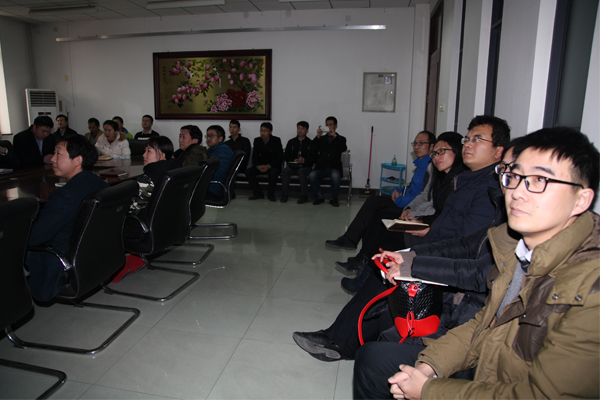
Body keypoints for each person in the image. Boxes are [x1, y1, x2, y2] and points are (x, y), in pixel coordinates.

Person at [358, 127, 600, 400]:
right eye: (513, 176)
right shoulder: (518, 248)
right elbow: (483, 325)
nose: (518, 192)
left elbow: (542, 394)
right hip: (488, 358)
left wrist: (428, 389)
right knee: (375, 355)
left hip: (501, 378)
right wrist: (429, 367)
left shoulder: (591, 290)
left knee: (380, 354)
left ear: (581, 200)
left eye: (539, 180)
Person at [293, 115, 511, 362]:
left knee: (384, 278)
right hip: (433, 250)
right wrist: (416, 250)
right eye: (467, 139)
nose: (468, 144)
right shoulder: (467, 180)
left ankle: (339, 341)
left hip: (446, 266)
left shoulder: (488, 191)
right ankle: (343, 339)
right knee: (384, 266)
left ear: (498, 151)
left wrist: (415, 260)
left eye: (478, 139)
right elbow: (450, 229)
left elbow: (466, 248)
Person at [26, 135, 108, 302]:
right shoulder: (101, 185)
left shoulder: (65, 196)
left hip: (63, 261)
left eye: (58, 153)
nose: (53, 159)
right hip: (95, 255)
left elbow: (34, 238)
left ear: (77, 161)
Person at [325, 131, 435, 251]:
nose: (416, 147)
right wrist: (395, 190)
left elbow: (423, 198)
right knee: (373, 201)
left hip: (410, 208)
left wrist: (399, 199)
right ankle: (352, 240)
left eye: (421, 143)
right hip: (404, 201)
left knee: (376, 210)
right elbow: (411, 188)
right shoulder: (420, 165)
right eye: (415, 143)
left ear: (431, 147)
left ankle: (355, 244)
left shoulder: (430, 169)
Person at [130, 136, 182, 218]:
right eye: (145, 151)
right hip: (170, 219)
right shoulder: (177, 171)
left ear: (161, 155)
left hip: (143, 222)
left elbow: (133, 210)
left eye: (149, 151)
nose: (144, 155)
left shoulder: (147, 178)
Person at [309, 116, 348, 207]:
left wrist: (335, 136)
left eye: (331, 125)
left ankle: (333, 198)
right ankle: (319, 197)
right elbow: (313, 149)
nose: (329, 127)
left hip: (335, 167)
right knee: (312, 175)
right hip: (321, 167)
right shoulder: (321, 139)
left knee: (335, 176)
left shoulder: (341, 138)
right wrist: (318, 136)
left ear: (336, 126)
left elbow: (343, 148)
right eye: (327, 125)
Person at [246, 122, 283, 202]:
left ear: (270, 132)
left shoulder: (276, 140)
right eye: (261, 130)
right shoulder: (257, 140)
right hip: (261, 166)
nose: (263, 133)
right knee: (248, 172)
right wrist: (258, 166)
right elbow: (255, 156)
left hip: (273, 166)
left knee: (273, 173)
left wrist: (268, 166)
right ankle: (258, 193)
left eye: (265, 131)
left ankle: (271, 195)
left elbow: (279, 157)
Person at [280, 121, 313, 204]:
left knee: (301, 171)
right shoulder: (291, 142)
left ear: (307, 131)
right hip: (293, 166)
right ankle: (284, 195)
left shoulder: (310, 143)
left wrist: (304, 160)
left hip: (305, 167)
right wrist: (294, 160)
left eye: (302, 128)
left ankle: (304, 196)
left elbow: (313, 158)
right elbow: (286, 156)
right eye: (298, 128)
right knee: (286, 171)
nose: (300, 130)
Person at [206, 125, 233, 200]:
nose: (208, 138)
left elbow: (219, 173)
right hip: (209, 186)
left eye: (211, 136)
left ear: (220, 138)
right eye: (207, 136)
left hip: (214, 189)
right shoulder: (211, 150)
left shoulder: (224, 150)